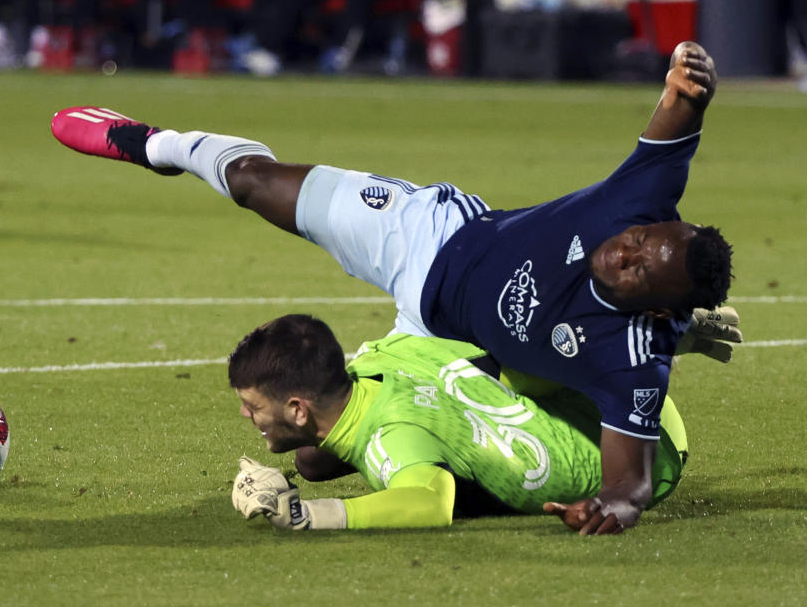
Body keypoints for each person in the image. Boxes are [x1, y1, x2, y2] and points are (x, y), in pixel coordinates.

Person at [50, 41, 739, 534]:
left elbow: (633, 480)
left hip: (452, 346)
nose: (624, 251)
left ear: (653, 303)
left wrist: (614, 508)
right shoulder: (638, 204)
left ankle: (683, 334)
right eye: (639, 240)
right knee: (255, 184)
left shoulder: (629, 362)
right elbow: (678, 118)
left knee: (320, 455)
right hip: (432, 236)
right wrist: (687, 83)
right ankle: (152, 142)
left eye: (638, 267)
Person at [228, 314, 688, 530]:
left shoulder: (390, 441)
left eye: (253, 406)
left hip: (640, 455)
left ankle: (642, 343)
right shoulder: (384, 351)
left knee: (460, 489)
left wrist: (307, 515)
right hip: (617, 396)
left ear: (297, 409)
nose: (247, 415)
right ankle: (638, 338)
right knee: (498, 348)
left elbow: (430, 501)